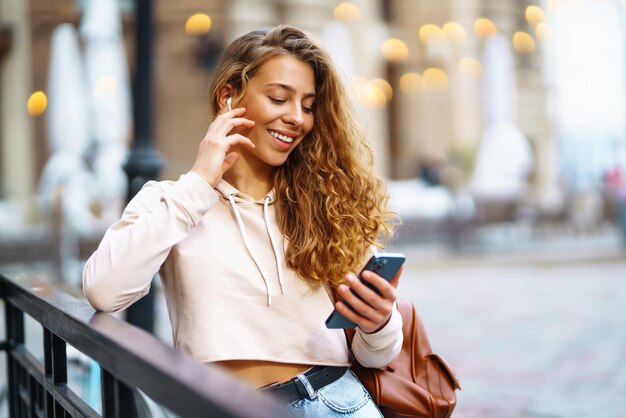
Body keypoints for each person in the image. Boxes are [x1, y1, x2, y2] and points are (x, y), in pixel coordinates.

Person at [83, 25, 403, 417]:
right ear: (228, 96)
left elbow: (376, 355)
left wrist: (379, 323)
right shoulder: (173, 201)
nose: (296, 118)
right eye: (279, 98)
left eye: (307, 104)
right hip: (223, 408)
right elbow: (103, 290)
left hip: (338, 402)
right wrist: (201, 182)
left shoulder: (327, 205)